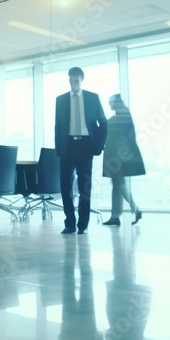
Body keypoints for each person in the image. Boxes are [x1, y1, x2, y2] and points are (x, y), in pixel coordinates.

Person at [54, 66, 108, 235]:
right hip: (67, 146)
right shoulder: (60, 100)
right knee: (65, 186)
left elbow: (103, 123)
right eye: (70, 79)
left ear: (81, 79)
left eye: (76, 80)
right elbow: (58, 126)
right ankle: (69, 223)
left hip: (85, 146)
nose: (73, 82)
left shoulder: (92, 98)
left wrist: (98, 145)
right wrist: (58, 150)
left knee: (84, 186)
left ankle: (83, 225)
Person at [102, 94, 145, 226]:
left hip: (120, 156)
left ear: (117, 103)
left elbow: (119, 132)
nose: (110, 105)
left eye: (111, 102)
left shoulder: (123, 115)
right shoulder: (121, 115)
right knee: (120, 185)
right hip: (118, 156)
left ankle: (115, 216)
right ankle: (135, 209)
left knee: (117, 185)